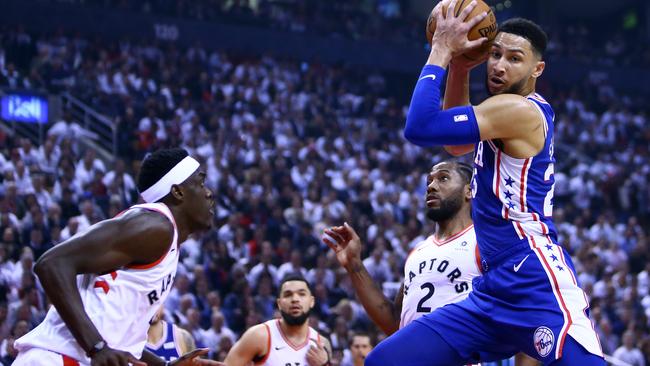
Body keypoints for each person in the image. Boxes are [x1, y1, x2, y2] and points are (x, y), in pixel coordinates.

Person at [366, 1, 605, 365]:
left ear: (537, 68)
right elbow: (456, 144)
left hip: (534, 277)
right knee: (384, 361)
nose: (499, 65)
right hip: (492, 290)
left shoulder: (519, 111)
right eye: (495, 54)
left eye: (514, 58)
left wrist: (442, 50)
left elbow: (419, 127)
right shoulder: (501, 111)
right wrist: (462, 66)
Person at [13, 148, 220, 366]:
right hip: (57, 358)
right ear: (178, 192)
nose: (209, 193)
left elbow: (121, 338)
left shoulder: (164, 241)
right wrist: (96, 347)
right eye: (201, 183)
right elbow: (52, 264)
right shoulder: (156, 226)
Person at [324, 161, 536, 366]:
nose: (432, 186)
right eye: (429, 182)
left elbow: (524, 318)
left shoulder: (486, 243)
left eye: (443, 178)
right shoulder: (418, 251)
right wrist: (355, 266)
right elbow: (395, 322)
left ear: (469, 191)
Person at [223, 275, 332, 366]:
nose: (295, 299)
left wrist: (325, 365)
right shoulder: (258, 336)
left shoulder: (322, 344)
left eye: (301, 294)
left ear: (311, 302)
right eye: (288, 295)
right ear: (279, 304)